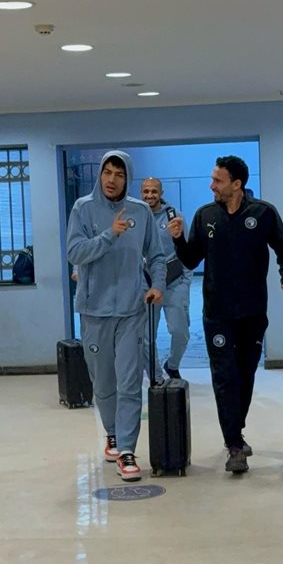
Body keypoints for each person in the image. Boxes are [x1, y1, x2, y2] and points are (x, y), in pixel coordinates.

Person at [168, 155, 283, 474]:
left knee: (245, 373)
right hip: (217, 313)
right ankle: (235, 446)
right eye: (212, 179)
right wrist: (178, 238)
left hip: (253, 311)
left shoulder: (263, 213)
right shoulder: (205, 215)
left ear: (236, 184)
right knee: (224, 376)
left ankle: (236, 430)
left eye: (218, 180)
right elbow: (190, 260)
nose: (211, 186)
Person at [67, 150, 165, 480]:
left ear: (128, 179)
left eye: (119, 175)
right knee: (104, 382)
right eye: (107, 172)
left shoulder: (141, 211)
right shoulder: (83, 209)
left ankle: (126, 449)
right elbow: (75, 252)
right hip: (94, 310)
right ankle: (111, 431)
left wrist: (157, 285)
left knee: (129, 381)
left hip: (131, 309)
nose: (112, 180)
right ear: (100, 175)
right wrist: (109, 234)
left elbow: (157, 255)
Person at [140, 176, 192, 381]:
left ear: (161, 193)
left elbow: (186, 249)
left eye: (154, 191)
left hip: (174, 283)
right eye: (146, 191)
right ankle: (155, 376)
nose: (150, 195)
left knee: (180, 332)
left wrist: (186, 282)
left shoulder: (174, 216)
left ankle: (172, 365)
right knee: (147, 336)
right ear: (141, 193)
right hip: (147, 284)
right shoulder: (136, 216)